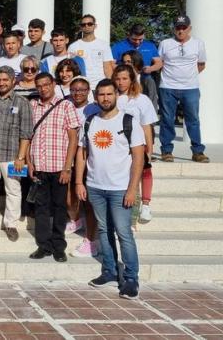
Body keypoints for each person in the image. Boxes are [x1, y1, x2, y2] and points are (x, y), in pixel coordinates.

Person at [75, 79, 145, 300]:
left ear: (116, 95)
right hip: (95, 186)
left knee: (123, 233)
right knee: (104, 231)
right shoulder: (90, 122)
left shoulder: (129, 122)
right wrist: (79, 182)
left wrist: (133, 189)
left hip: (120, 188)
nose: (105, 98)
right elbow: (81, 154)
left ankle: (131, 278)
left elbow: (138, 158)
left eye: (109, 94)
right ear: (96, 97)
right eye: (101, 95)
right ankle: (110, 272)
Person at [27, 72, 80, 262]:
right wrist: (29, 162)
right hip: (40, 167)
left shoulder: (66, 105)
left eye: (46, 84)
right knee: (41, 208)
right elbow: (28, 137)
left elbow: (73, 139)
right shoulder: (32, 106)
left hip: (59, 167)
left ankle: (59, 246)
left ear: (53, 84)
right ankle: (44, 245)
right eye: (39, 85)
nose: (43, 88)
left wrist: (68, 168)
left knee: (59, 207)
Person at [0, 66, 32, 242]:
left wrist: (21, 157)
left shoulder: (22, 103)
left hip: (12, 156)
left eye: (5, 80)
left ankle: (11, 224)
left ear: (13, 81)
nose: (1, 83)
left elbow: (26, 133)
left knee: (14, 190)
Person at [158, 15, 208, 163]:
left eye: (183, 28)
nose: (181, 31)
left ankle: (198, 152)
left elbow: (201, 64)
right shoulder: (165, 43)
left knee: (193, 120)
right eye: (178, 28)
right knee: (167, 119)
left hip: (190, 88)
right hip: (167, 87)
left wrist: (188, 77)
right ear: (174, 28)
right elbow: (159, 62)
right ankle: (166, 151)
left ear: (189, 28)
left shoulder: (198, 43)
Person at [113, 64, 158, 223]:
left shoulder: (141, 99)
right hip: (119, 145)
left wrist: (149, 150)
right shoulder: (113, 98)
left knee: (145, 171)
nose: (121, 82)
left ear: (132, 79)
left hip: (138, 144)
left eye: (125, 78)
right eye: (117, 79)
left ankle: (145, 204)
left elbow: (147, 126)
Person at [69, 76, 100, 258]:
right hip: (68, 156)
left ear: (88, 91)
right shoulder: (66, 105)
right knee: (69, 195)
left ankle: (91, 238)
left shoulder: (95, 109)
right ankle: (75, 219)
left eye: (82, 90)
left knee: (89, 201)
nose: (78, 93)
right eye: (74, 90)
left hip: (88, 157)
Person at [68, 14, 114, 87]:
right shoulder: (73, 46)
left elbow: (107, 68)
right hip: (81, 86)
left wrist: (111, 85)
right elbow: (70, 69)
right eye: (83, 24)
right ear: (81, 27)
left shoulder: (103, 45)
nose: (86, 26)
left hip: (99, 86)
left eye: (90, 24)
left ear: (95, 26)